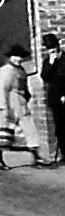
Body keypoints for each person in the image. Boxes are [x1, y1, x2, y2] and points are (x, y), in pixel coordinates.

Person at [0, 43, 51, 171]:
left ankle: (36, 157)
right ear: (10, 57)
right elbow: (2, 89)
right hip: (9, 103)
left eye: (20, 57)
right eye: (15, 56)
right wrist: (3, 107)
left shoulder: (21, 70)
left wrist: (27, 95)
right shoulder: (6, 70)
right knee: (3, 133)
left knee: (30, 129)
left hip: (20, 103)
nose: (18, 59)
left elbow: (24, 86)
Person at [40, 33, 65, 162]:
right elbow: (45, 77)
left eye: (53, 48)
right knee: (60, 127)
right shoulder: (47, 62)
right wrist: (50, 63)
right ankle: (64, 153)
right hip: (55, 99)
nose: (52, 51)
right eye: (49, 49)